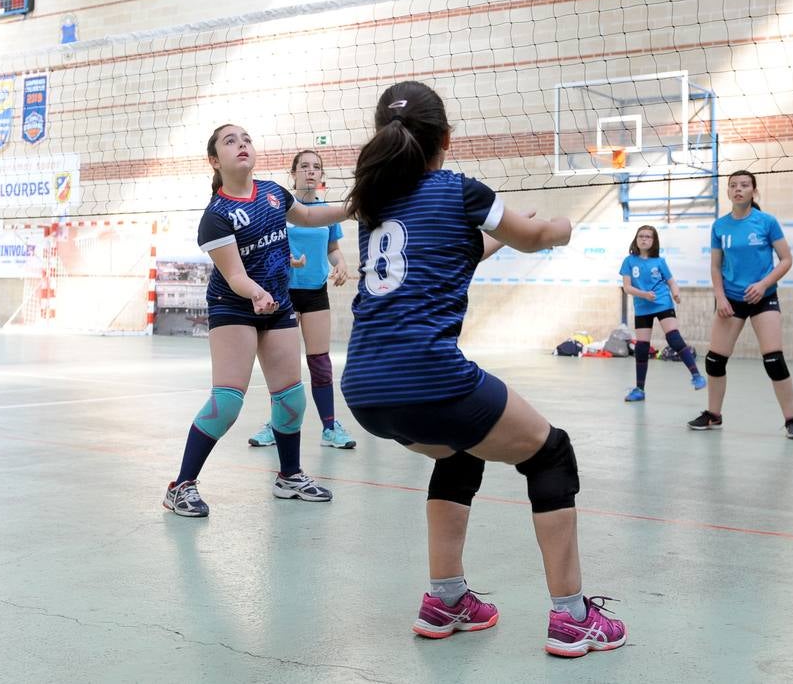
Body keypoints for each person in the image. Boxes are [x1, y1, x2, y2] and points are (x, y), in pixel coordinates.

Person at [340, 81, 626, 658]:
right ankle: (573, 618)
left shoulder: (374, 207)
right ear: (446, 138)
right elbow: (537, 237)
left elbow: (451, 255)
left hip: (365, 388)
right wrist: (564, 228)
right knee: (550, 451)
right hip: (427, 376)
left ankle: (445, 599)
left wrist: (497, 235)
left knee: (461, 450)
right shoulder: (459, 190)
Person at [163, 124, 347, 518]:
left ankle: (290, 476)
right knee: (227, 402)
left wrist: (354, 206)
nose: (242, 144)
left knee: (290, 396)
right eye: (230, 141)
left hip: (277, 304)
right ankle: (181, 487)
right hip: (234, 305)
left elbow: (313, 218)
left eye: (246, 138)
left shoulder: (273, 193)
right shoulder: (216, 216)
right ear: (215, 161)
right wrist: (256, 293)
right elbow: (235, 276)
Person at [248, 149, 354, 450]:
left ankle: (330, 428)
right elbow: (266, 250)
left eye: (316, 167)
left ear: (322, 175)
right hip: (284, 293)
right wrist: (286, 259)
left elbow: (332, 248)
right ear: (293, 174)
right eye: (304, 166)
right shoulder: (280, 211)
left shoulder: (327, 214)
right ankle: (275, 425)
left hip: (316, 294)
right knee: (284, 364)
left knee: (320, 363)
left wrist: (341, 263)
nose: (310, 171)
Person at [689, 171, 793, 439]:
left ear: (754, 191)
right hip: (731, 299)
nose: (738, 189)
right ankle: (713, 415)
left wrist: (764, 284)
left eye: (744, 185)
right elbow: (716, 266)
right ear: (728, 192)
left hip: (763, 298)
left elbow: (786, 260)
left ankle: (792, 420)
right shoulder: (719, 226)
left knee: (774, 360)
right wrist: (720, 297)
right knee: (714, 361)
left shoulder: (766, 222)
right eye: (733, 186)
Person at [618, 225, 706, 401]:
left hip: (662, 302)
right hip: (643, 305)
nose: (643, 239)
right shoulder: (629, 261)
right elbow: (627, 287)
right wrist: (644, 295)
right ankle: (639, 390)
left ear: (653, 241)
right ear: (636, 239)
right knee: (642, 347)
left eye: (648, 237)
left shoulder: (659, 262)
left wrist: (676, 293)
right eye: (640, 236)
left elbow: (672, 282)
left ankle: (697, 376)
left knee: (673, 338)